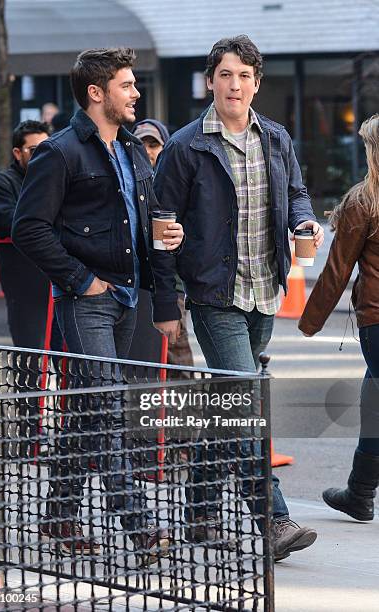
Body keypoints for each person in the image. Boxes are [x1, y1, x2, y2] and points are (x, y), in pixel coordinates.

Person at [152, 35, 324, 561]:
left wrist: (304, 220)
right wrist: (165, 302)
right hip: (213, 292)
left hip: (264, 289)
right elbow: (161, 224)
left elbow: (294, 191)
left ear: (256, 83)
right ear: (211, 82)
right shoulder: (186, 145)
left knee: (227, 407)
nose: (235, 84)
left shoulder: (275, 138)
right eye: (226, 74)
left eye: (245, 75)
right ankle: (271, 519)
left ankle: (199, 515)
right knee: (246, 403)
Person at [12, 47, 184, 563]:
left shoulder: (132, 150)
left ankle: (59, 518)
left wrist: (165, 288)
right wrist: (79, 279)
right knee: (107, 409)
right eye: (127, 85)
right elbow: (28, 227)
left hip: (128, 297)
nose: (136, 94)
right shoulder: (61, 152)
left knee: (89, 411)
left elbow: (144, 225)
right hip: (87, 300)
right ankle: (137, 522)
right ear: (96, 92)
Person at [299, 114, 379, 521]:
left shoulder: (363, 200)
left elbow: (337, 270)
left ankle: (360, 494)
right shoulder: (362, 202)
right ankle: (359, 494)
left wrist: (309, 323)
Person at [132, 119, 194, 373]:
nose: (147, 150)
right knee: (139, 356)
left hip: (171, 284)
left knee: (175, 351)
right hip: (132, 284)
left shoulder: (174, 181)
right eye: (141, 144)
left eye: (153, 144)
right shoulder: (125, 180)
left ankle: (184, 411)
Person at [0, 120, 51, 349]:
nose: (42, 156)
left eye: (47, 149)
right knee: (29, 362)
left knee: (68, 361)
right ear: (17, 152)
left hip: (59, 284)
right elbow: (11, 224)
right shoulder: (2, 183)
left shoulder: (56, 180)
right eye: (34, 151)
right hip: (24, 287)